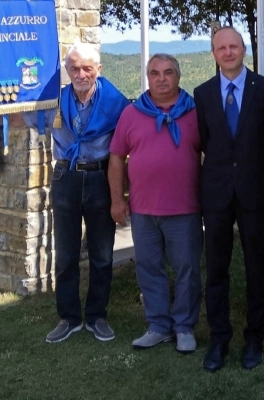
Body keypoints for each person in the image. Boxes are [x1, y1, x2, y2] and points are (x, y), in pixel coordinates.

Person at [20, 43, 129, 343]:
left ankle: (97, 316)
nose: (81, 73)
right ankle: (69, 318)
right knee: (65, 253)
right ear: (67, 71)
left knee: (102, 253)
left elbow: (130, 137)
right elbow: (24, 117)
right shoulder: (54, 99)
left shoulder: (115, 102)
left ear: (99, 70)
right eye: (74, 68)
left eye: (87, 68)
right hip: (64, 176)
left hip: (100, 177)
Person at [108, 54, 202, 353]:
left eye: (168, 72)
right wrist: (117, 200)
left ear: (179, 76)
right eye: (155, 73)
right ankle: (159, 325)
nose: (162, 78)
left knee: (187, 269)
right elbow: (116, 158)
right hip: (143, 209)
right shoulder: (132, 114)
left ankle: (185, 327)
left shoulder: (196, 112)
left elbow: (213, 156)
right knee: (149, 268)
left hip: (185, 208)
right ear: (147, 77)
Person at [194, 26, 264, 372]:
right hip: (217, 194)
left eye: (234, 46)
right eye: (221, 48)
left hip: (256, 192)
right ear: (214, 53)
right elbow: (206, 142)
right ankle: (219, 339)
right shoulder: (203, 93)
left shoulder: (263, 89)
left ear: (244, 50)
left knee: (258, 269)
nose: (228, 52)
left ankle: (255, 338)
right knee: (217, 271)